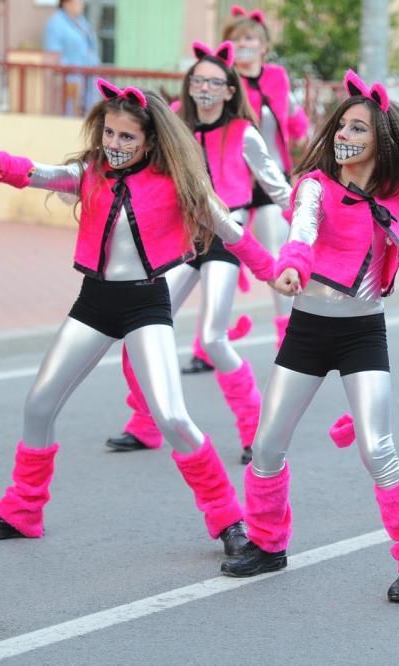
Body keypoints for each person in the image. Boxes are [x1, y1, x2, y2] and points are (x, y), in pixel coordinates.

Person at [0, 79, 277, 553]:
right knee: (38, 405)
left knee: (171, 416)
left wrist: (275, 271)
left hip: (146, 303)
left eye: (126, 137)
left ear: (151, 140)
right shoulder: (92, 172)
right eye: (109, 134)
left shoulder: (179, 182)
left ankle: (229, 520)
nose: (114, 144)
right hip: (94, 302)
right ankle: (22, 510)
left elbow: (232, 232)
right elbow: (41, 173)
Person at [220, 70, 399, 603]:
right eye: (341, 126)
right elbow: (302, 233)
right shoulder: (315, 186)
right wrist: (291, 265)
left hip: (362, 332)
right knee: (266, 445)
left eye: (358, 127)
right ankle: (267, 542)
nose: (344, 135)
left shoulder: (392, 202)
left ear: (382, 141)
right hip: (308, 328)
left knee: (377, 448)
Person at [104, 41, 292, 464]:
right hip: (182, 238)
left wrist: (309, 224)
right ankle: (146, 423)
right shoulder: (173, 122)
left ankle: (256, 431)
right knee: (141, 329)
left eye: (214, 82)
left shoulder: (245, 132)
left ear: (229, 90)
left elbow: (278, 187)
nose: (204, 88)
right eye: (198, 80)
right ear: (189, 86)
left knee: (212, 337)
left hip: (227, 238)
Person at [181, 4, 311, 375]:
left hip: (270, 183)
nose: (245, 46)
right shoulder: (224, 85)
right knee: (210, 261)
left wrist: (308, 137)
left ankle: (291, 345)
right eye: (237, 41)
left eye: (251, 39)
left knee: (275, 258)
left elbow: (288, 116)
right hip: (230, 188)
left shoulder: (277, 78)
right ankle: (205, 347)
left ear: (265, 45)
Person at [44, 0, 101, 115]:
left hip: (89, 77)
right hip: (70, 80)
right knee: (70, 114)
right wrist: (67, 75)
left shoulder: (82, 22)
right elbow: (54, 55)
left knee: (90, 115)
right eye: (77, 1)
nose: (81, 4)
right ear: (66, 3)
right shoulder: (55, 24)